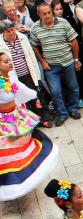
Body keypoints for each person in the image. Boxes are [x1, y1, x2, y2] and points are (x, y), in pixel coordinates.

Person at [0, 52, 58, 201]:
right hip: (4, 121)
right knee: (8, 153)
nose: (9, 63)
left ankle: (24, 177)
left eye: (9, 60)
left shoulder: (10, 77)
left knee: (24, 147)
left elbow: (20, 89)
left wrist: (35, 95)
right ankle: (10, 185)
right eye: (5, 61)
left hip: (16, 115)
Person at [29, 2, 81, 127]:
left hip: (68, 62)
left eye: (49, 12)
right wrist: (42, 62)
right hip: (50, 67)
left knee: (73, 87)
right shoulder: (35, 28)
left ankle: (73, 109)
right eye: (44, 13)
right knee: (55, 91)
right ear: (39, 15)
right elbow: (34, 45)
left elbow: (74, 42)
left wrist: (76, 60)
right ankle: (62, 114)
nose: (47, 15)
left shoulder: (63, 22)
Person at [0, 21, 50, 128]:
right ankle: (28, 124)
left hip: (28, 73)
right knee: (20, 100)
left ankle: (42, 119)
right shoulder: (1, 43)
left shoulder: (22, 37)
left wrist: (37, 75)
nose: (11, 33)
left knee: (35, 96)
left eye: (12, 29)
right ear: (3, 32)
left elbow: (31, 56)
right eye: (8, 31)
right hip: (14, 77)